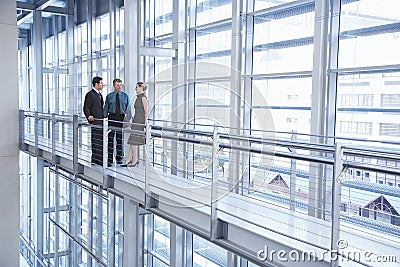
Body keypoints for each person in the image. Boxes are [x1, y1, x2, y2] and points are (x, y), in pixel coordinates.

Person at [104, 78, 131, 166]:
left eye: (120, 85)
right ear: (113, 85)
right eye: (117, 85)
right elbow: (105, 108)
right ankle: (110, 159)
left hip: (121, 118)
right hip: (111, 117)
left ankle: (119, 158)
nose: (119, 87)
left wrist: (127, 120)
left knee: (119, 139)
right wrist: (104, 120)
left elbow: (128, 109)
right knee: (110, 139)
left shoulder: (125, 96)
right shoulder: (109, 96)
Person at [122, 82, 148, 167]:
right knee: (133, 141)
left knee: (133, 140)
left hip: (140, 121)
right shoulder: (138, 98)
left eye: (137, 87)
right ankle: (128, 159)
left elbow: (146, 111)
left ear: (141, 88)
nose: (135, 88)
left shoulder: (143, 98)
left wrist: (145, 123)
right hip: (136, 120)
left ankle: (135, 159)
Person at [83, 76, 104, 166]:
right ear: (96, 84)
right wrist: (89, 116)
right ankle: (98, 160)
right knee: (97, 141)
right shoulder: (90, 94)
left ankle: (96, 159)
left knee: (98, 140)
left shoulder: (99, 95)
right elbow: (86, 107)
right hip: (95, 121)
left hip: (100, 121)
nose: (102, 85)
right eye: (101, 83)